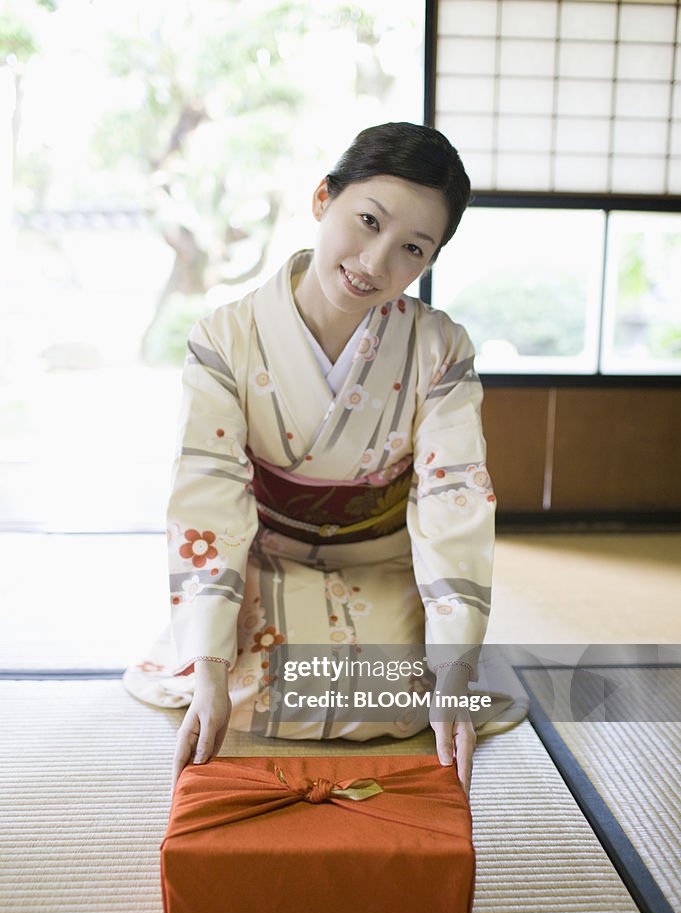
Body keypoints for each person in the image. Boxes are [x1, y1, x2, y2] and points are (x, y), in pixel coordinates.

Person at [122, 122, 529, 797]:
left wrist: (454, 672)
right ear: (322, 198)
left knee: (402, 685)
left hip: (381, 561)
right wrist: (210, 672)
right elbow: (209, 493)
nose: (374, 262)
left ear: (430, 260)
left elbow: (451, 500)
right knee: (249, 676)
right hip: (265, 556)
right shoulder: (226, 337)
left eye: (411, 249)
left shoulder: (439, 347)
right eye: (366, 221)